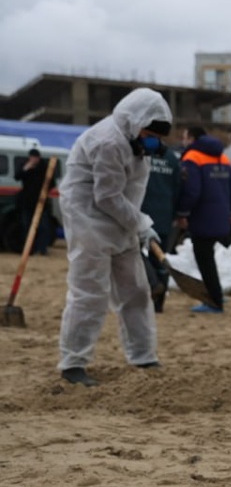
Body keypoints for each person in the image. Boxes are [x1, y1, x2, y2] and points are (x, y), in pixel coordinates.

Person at [57, 88, 174, 387]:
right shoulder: (108, 142)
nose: (153, 142)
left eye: (157, 138)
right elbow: (106, 196)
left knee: (136, 290)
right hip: (89, 218)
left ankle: (143, 356)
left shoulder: (138, 144)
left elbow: (127, 192)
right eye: (150, 135)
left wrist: (136, 224)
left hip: (122, 220)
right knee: (90, 292)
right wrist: (141, 223)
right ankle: (73, 363)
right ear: (135, 123)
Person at [177, 131, 231, 313]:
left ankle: (214, 300)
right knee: (214, 256)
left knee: (204, 259)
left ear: (192, 139)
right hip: (222, 217)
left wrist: (182, 212)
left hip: (202, 217)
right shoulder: (223, 158)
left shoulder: (192, 157)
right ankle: (217, 293)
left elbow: (192, 190)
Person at [139, 136, 183, 312]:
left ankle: (153, 283)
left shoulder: (141, 153)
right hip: (165, 213)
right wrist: (176, 212)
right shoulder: (171, 157)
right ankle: (159, 304)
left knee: (133, 252)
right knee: (160, 257)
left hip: (142, 213)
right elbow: (178, 187)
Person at [14, 148, 56, 255]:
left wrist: (45, 192)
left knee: (43, 227)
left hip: (41, 202)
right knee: (26, 226)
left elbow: (52, 183)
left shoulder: (44, 167)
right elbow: (17, 177)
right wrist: (26, 168)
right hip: (26, 202)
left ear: (38, 158)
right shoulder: (25, 166)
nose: (33, 159)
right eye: (32, 157)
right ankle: (29, 249)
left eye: (35, 158)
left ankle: (42, 249)